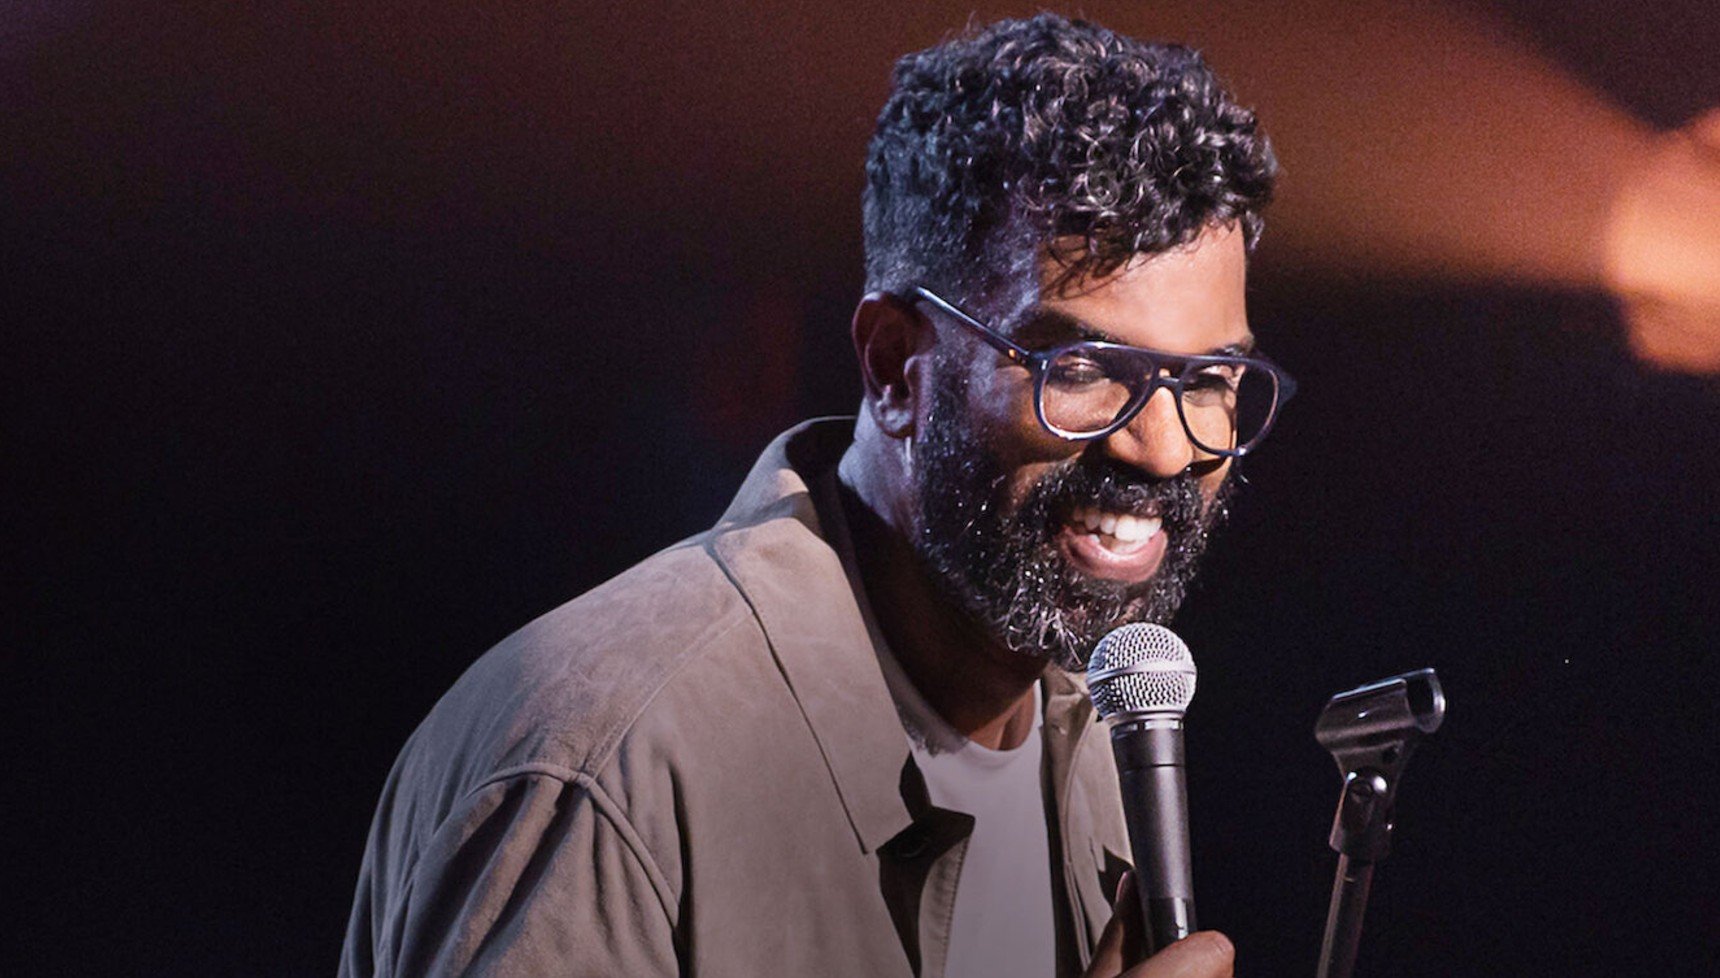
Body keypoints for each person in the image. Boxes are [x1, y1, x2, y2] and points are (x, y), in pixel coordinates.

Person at [341, 13, 1285, 978]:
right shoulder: (606, 764)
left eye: (1210, 380)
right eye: (1083, 367)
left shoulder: (1086, 726)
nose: (1166, 449)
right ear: (891, 366)